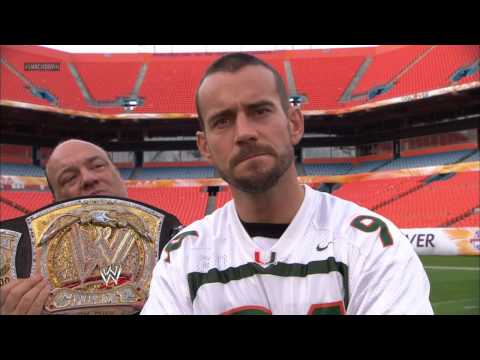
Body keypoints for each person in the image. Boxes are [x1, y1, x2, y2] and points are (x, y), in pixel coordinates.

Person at [141, 53, 433, 315]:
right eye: (222, 121)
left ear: (294, 124)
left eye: (260, 111)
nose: (244, 133)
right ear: (204, 146)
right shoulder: (182, 258)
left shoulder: (371, 244)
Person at [0, 139, 182, 315]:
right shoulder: (21, 268)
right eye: (70, 178)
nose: (88, 178)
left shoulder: (179, 245)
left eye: (97, 166)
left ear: (118, 175)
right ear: (54, 204)